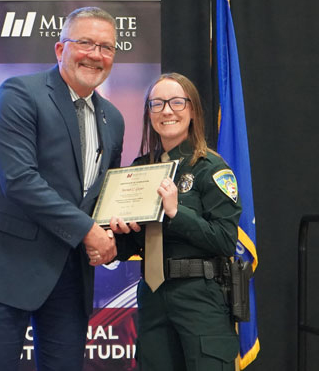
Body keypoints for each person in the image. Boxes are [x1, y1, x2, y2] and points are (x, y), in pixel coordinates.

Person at [0, 6, 125, 371]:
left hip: (70, 273)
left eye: (107, 47)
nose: (95, 55)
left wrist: (115, 230)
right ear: (60, 48)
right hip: (9, 267)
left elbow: (103, 193)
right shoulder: (20, 93)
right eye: (85, 43)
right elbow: (19, 179)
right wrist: (89, 231)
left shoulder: (112, 118)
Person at [90, 72, 242, 370]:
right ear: (149, 113)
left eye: (176, 102)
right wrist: (117, 238)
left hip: (200, 295)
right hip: (153, 294)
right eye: (157, 104)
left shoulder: (210, 168)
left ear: (193, 111)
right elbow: (136, 241)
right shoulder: (140, 169)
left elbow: (225, 239)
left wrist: (176, 212)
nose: (167, 111)